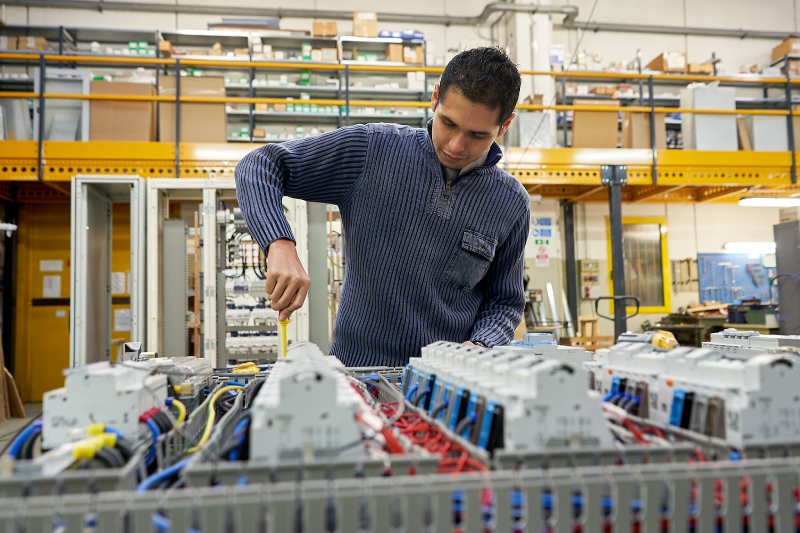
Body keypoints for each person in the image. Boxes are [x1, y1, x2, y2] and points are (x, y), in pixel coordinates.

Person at [236, 46, 529, 367]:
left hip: (445, 383)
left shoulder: (510, 202)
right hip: (355, 377)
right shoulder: (372, 151)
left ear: (505, 125)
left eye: (476, 135)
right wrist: (279, 244)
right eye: (448, 123)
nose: (456, 145)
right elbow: (259, 165)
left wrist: (481, 344)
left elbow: (504, 302)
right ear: (435, 98)